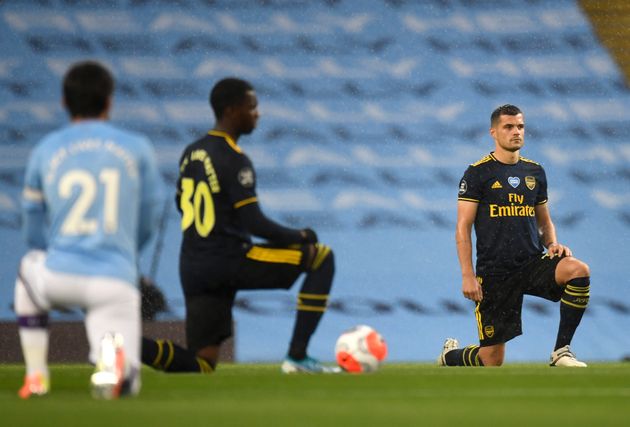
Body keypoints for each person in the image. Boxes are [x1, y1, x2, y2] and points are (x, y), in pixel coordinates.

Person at [15, 60, 164, 399]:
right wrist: (128, 253)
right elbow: (150, 215)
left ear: (64, 102)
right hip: (115, 280)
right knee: (123, 377)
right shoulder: (137, 147)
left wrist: (50, 252)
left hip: (58, 276)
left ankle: (36, 376)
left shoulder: (45, 149)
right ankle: (113, 366)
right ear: (109, 101)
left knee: (27, 270)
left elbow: (31, 224)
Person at [171, 77, 337, 373]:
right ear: (232, 110)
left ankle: (133, 347)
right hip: (229, 259)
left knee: (201, 363)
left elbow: (180, 203)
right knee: (321, 257)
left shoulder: (191, 152)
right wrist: (300, 235)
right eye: (252, 107)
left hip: (193, 266)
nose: (257, 113)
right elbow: (255, 222)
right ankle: (297, 357)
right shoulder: (233, 158)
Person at [439, 104, 591, 367]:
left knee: (577, 270)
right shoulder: (477, 173)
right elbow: (463, 227)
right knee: (492, 360)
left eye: (520, 126)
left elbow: (544, 221)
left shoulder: (535, 172)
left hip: (531, 263)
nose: (516, 132)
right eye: (508, 127)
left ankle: (561, 351)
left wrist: (552, 244)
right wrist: (467, 275)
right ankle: (449, 356)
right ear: (493, 132)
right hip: (495, 272)